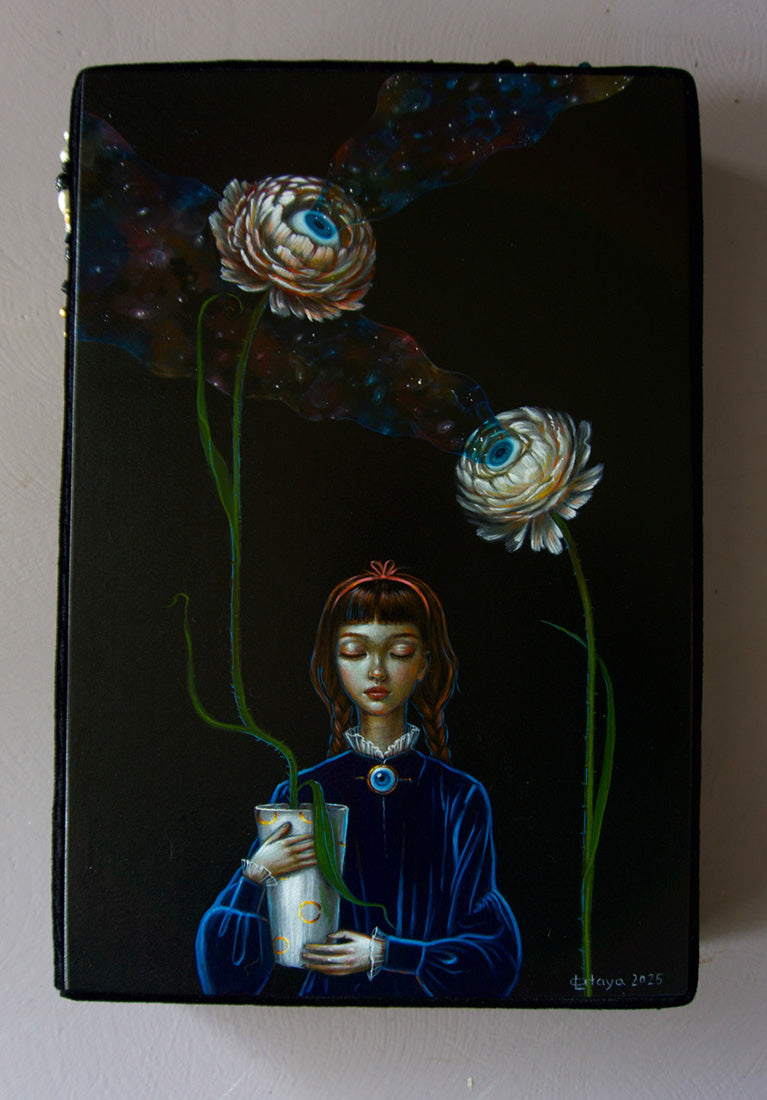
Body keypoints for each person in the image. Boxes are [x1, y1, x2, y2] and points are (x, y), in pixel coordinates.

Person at [196, 561, 521, 1000]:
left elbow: (495, 958)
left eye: (399, 651)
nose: (377, 671)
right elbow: (228, 980)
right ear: (333, 661)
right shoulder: (301, 793)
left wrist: (386, 953)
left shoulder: (459, 797)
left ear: (424, 663)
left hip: (432, 1018)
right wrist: (254, 875)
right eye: (355, 651)